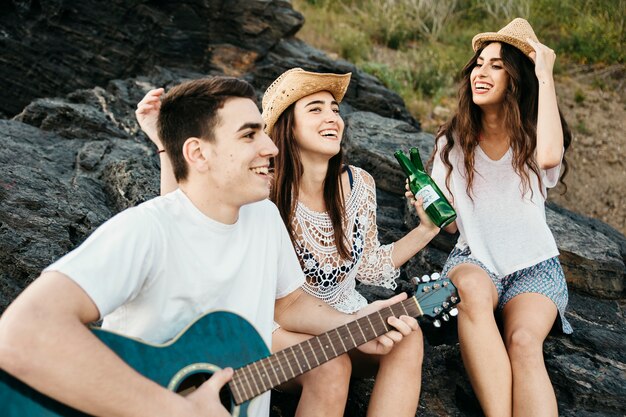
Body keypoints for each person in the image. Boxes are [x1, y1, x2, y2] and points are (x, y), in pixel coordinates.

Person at [0, 77, 419, 417]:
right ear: (198, 153)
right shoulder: (147, 230)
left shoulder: (263, 217)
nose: (270, 147)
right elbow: (20, 333)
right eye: (250, 134)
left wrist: (358, 320)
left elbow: (290, 304)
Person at [136, 69, 440, 417]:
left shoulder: (360, 184)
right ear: (286, 125)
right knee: (331, 363)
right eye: (315, 109)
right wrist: (164, 144)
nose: (331, 117)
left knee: (407, 335)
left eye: (335, 110)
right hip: (274, 324)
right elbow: (186, 217)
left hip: (337, 316)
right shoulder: (261, 189)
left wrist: (426, 230)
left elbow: (369, 264)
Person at [425, 18, 573, 417]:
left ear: (516, 78)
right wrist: (425, 207)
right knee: (472, 292)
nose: (481, 72)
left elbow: (549, 158)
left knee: (524, 341)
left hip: (534, 268)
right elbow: (452, 224)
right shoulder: (451, 142)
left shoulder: (536, 134)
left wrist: (545, 74)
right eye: (478, 63)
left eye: (496, 65)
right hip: (474, 258)